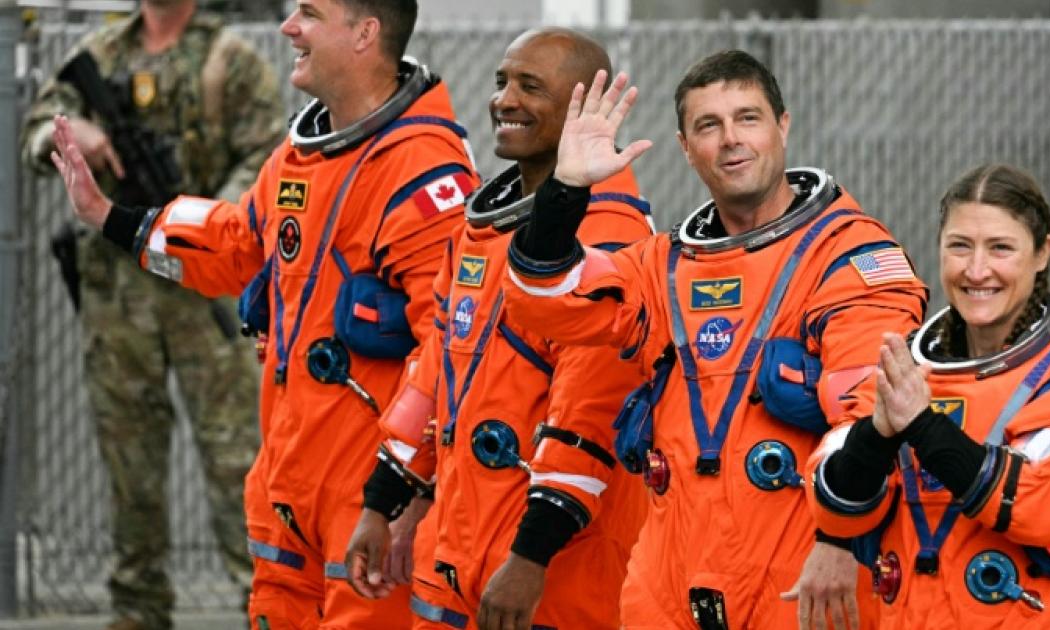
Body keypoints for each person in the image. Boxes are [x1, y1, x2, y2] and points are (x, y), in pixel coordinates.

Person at [46, 0, 479, 627]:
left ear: (365, 33)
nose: (288, 26)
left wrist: (409, 494)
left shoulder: (423, 171)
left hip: (368, 502)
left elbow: (450, 352)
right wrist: (111, 217)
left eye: (309, 13)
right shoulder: (303, 155)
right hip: (289, 486)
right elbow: (234, 242)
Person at [501, 50, 928, 629]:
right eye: (709, 125)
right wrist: (566, 188)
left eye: (747, 118)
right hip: (668, 580)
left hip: (797, 576)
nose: (731, 140)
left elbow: (869, 415)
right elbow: (544, 297)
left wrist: (839, 540)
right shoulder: (663, 265)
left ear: (782, 125)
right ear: (685, 147)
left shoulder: (848, 255)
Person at [341, 27, 654, 630]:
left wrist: (530, 559)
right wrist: (382, 502)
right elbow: (433, 373)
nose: (505, 100)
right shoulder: (480, 229)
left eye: (530, 87)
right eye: (502, 82)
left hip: (551, 572)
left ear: (584, 107)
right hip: (457, 550)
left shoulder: (611, 239)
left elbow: (590, 419)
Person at [19, 1, 281, 627]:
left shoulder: (231, 61)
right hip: (119, 297)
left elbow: (266, 163)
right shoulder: (100, 55)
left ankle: (266, 604)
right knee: (128, 460)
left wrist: (201, 227)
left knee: (238, 459)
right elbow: (36, 134)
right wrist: (69, 135)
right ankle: (137, 608)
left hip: (204, 291)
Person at [806, 164, 1050, 629]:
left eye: (1000, 248)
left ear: (1042, 253)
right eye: (960, 246)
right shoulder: (904, 369)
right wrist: (877, 433)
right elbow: (831, 502)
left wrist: (921, 425)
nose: (976, 270)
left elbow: (1038, 503)